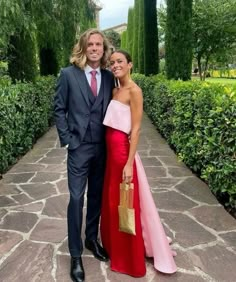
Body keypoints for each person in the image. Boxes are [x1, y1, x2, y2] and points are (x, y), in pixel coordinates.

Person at [100, 50, 177, 277]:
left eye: (120, 62)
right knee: (113, 202)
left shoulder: (135, 91)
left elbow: (136, 129)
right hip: (110, 155)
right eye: (112, 62)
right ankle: (114, 247)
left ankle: (129, 258)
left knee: (127, 204)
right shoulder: (114, 90)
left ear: (130, 64)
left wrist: (128, 163)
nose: (115, 65)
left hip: (123, 155)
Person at [54, 28, 114, 282]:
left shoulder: (110, 77)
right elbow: (59, 108)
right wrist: (67, 139)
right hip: (78, 148)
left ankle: (91, 239)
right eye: (90, 44)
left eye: (98, 45)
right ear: (83, 47)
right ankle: (75, 254)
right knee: (76, 198)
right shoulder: (68, 75)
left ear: (103, 49)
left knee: (97, 196)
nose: (94, 48)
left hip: (102, 147)